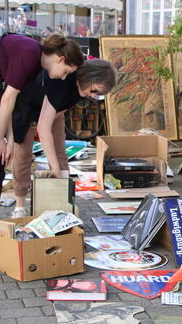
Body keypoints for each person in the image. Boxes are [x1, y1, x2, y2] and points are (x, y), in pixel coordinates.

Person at [0, 34, 83, 220]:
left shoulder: (36, 62)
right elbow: (7, 99)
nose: (63, 77)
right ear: (60, 59)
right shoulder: (30, 55)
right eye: (66, 71)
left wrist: (9, 139)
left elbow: (11, 102)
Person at [11, 59, 116, 217]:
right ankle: (20, 206)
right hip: (27, 107)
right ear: (89, 77)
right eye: (94, 91)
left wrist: (56, 165)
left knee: (60, 155)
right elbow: (43, 128)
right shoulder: (63, 79)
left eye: (98, 94)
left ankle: (62, 202)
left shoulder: (81, 88)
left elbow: (59, 111)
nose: (93, 96)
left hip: (53, 111)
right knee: (23, 155)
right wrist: (53, 165)